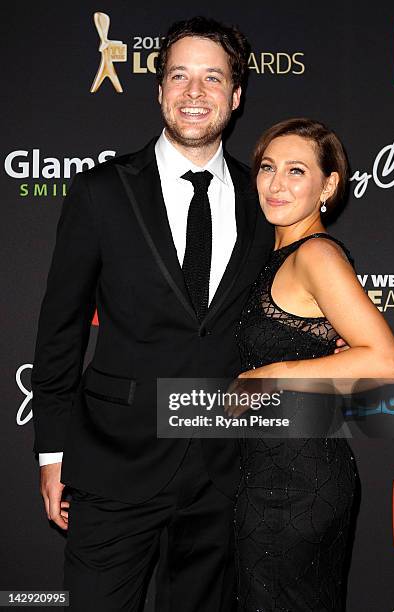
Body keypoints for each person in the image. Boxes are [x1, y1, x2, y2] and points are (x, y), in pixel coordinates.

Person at [31, 18, 346, 611]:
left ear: (236, 96)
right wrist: (52, 454)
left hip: (224, 472)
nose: (194, 92)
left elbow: (287, 312)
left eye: (212, 77)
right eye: (179, 76)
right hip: (113, 466)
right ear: (159, 91)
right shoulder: (102, 190)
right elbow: (60, 332)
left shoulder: (267, 203)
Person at [233, 118, 394, 611]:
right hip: (270, 474)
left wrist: (272, 374)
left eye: (296, 171)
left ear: (328, 184)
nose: (276, 183)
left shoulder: (317, 255)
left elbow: (387, 362)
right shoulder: (274, 255)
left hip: (295, 486)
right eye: (267, 168)